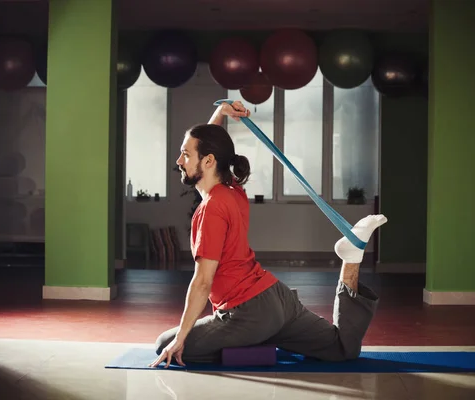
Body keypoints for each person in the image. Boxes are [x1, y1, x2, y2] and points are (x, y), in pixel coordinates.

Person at [150, 100, 387, 368]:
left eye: (185, 154)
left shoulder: (212, 209)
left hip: (247, 315)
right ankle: (352, 257)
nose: (179, 161)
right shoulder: (231, 190)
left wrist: (181, 337)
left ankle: (255, 341)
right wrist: (220, 114)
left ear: (208, 161)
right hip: (277, 299)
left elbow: (203, 282)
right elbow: (210, 145)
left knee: (166, 344)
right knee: (341, 347)